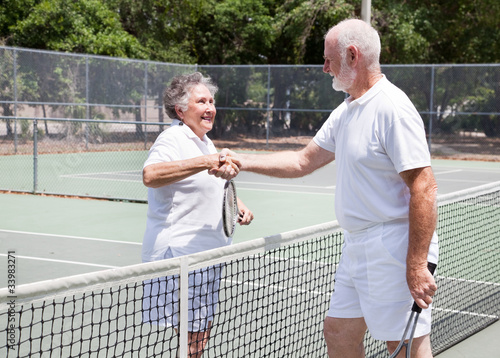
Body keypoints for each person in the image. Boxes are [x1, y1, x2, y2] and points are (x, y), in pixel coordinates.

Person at [214, 19, 438, 358]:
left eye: (328, 59)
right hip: (356, 245)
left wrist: (416, 264)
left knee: (403, 345)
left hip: (393, 246)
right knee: (337, 331)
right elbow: (303, 161)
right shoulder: (347, 109)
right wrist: (242, 160)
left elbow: (424, 186)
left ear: (352, 55)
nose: (324, 67)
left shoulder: (392, 109)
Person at [141, 72, 254, 357]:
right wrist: (205, 161)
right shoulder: (172, 138)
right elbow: (150, 175)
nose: (210, 108)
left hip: (207, 255)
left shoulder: (205, 141)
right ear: (180, 110)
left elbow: (213, 182)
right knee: (192, 338)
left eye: (212, 101)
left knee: (199, 336)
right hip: (180, 253)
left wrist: (238, 204)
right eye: (201, 101)